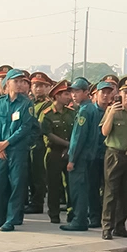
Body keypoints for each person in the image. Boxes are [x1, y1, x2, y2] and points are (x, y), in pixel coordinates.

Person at [0, 69, 35, 232]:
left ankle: (12, 219)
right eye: (15, 81)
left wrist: (6, 143)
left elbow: (25, 127)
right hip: (0, 150)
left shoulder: (26, 103)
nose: (19, 84)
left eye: (21, 81)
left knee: (16, 184)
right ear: (7, 83)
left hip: (17, 149)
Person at [99, 76, 127, 240]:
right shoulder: (113, 111)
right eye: (126, 92)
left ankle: (120, 226)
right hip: (115, 155)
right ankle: (106, 227)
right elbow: (104, 131)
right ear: (120, 93)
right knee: (111, 193)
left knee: (126, 193)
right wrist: (111, 113)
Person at [62, 78, 100, 232]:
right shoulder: (92, 109)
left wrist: (72, 159)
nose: (73, 95)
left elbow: (79, 138)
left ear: (86, 92)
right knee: (84, 188)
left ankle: (79, 220)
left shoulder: (85, 110)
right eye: (72, 91)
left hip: (81, 158)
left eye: (77, 91)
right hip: (89, 156)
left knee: (79, 190)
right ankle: (81, 218)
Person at [39, 80, 75, 224]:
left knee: (71, 185)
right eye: (66, 94)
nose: (69, 97)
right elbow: (47, 133)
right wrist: (67, 144)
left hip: (70, 152)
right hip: (53, 152)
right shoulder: (47, 114)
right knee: (53, 185)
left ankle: (72, 213)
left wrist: (69, 147)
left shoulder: (72, 113)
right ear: (57, 96)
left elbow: (75, 132)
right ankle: (54, 214)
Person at [26, 71, 53, 216]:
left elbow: (39, 125)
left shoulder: (47, 105)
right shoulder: (30, 103)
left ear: (48, 88)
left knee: (38, 175)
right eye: (35, 85)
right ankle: (32, 201)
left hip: (39, 143)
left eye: (42, 86)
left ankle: (37, 203)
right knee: (30, 174)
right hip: (29, 143)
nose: (38, 89)